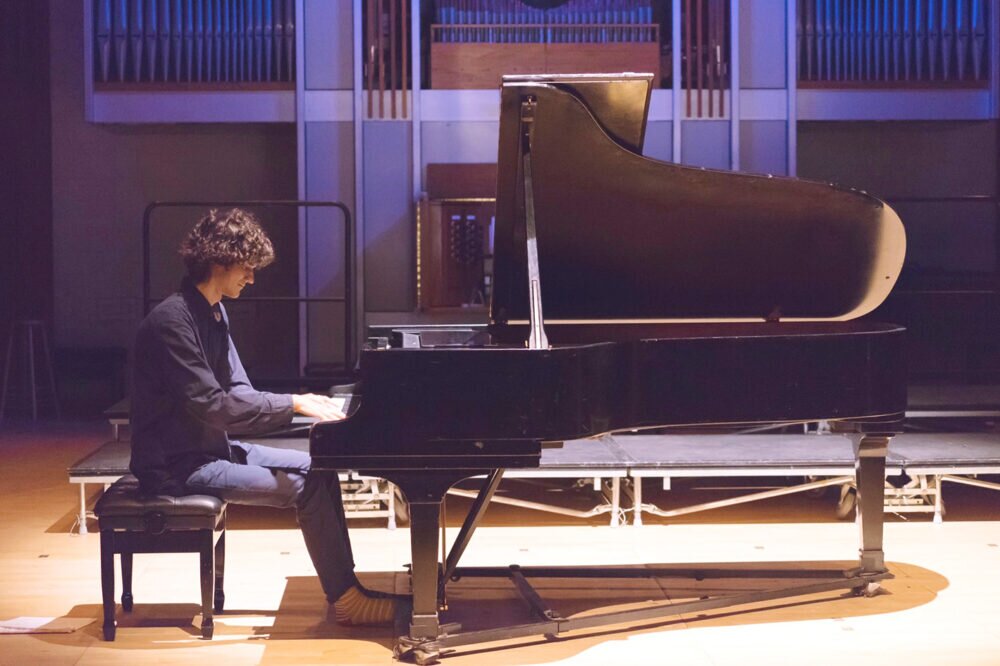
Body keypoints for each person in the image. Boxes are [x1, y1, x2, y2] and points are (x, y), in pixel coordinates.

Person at [129, 208, 399, 626]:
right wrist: (292, 403)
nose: (252, 278)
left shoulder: (214, 311)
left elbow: (239, 392)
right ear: (220, 261)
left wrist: (306, 409)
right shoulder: (171, 322)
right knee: (304, 487)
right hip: (176, 467)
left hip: (212, 449)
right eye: (247, 267)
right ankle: (347, 600)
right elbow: (215, 406)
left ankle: (348, 589)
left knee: (320, 466)